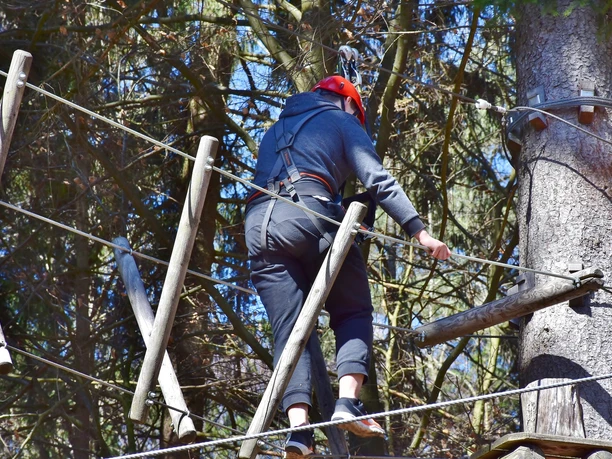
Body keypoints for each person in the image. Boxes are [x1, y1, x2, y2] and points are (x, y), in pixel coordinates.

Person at [245, 76, 451, 458]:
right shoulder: (343, 122)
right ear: (350, 105)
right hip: (308, 214)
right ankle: (347, 404)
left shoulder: (274, 131)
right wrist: (420, 233)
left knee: (290, 329)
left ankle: (298, 432)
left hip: (258, 227)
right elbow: (378, 180)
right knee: (353, 309)